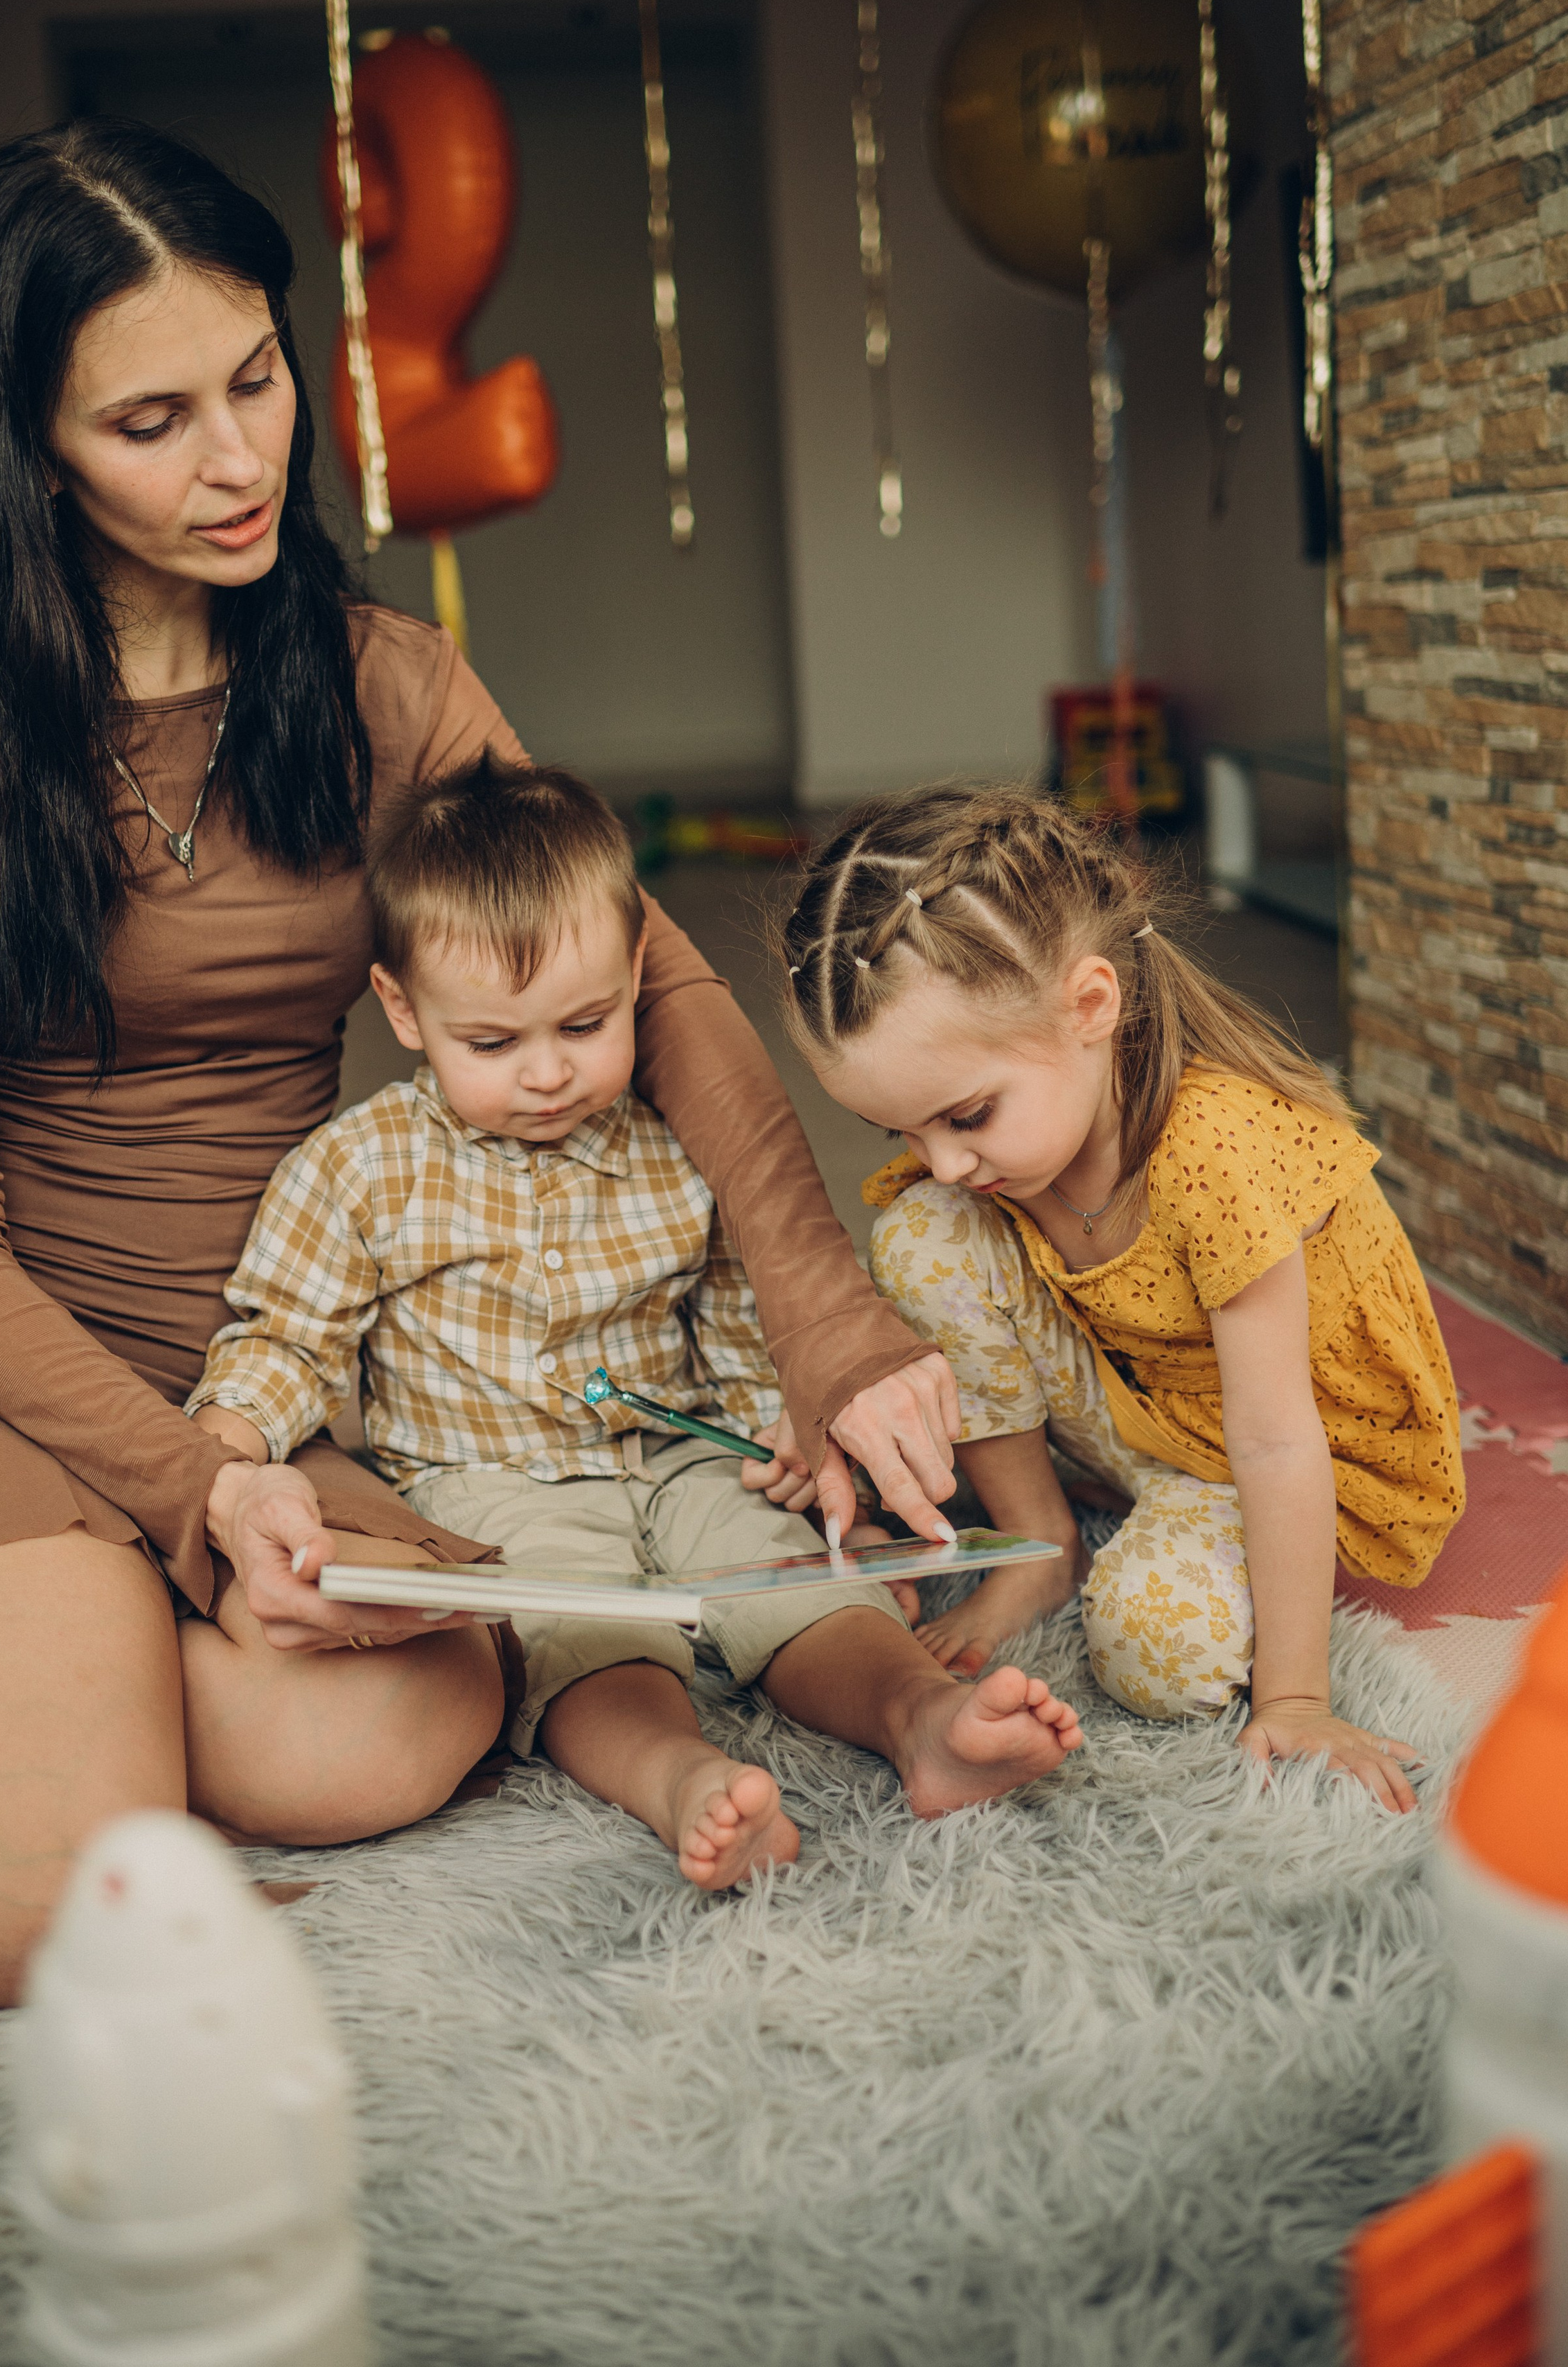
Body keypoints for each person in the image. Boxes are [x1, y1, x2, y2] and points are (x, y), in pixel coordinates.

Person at [0, 120, 964, 2007]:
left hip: (262, 1379)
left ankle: (39, 1673)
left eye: (259, 378)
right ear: (25, 441)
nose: (240, 456)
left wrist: (829, 1319)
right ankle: (29, 1670)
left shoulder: (379, 685)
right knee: (56, 1905)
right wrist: (187, 1493)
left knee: (405, 1723)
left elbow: (659, 989)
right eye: (153, 420)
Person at [187, 753, 1084, 1891]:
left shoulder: (672, 1150)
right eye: (495, 1044)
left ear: (637, 978)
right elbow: (286, 1340)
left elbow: (734, 1321)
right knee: (584, 1636)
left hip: (686, 1453)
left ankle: (922, 1721)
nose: (550, 1074)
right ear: (405, 1012)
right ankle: (681, 1782)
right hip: (493, 1479)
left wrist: (785, 1439)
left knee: (803, 1583)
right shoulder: (360, 1169)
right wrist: (230, 1446)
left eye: (588, 1022)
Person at [770, 783, 1465, 1814]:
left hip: (1270, 1445)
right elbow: (942, 1243)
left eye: (966, 1116)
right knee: (920, 1233)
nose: (946, 1161)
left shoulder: (1218, 1150)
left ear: (1091, 1007)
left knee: (1157, 1657)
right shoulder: (1008, 1155)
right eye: (903, 1134)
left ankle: (1141, 1532)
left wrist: (1298, 1696)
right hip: (1141, 1404)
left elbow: (1278, 1439)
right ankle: (1042, 1539)